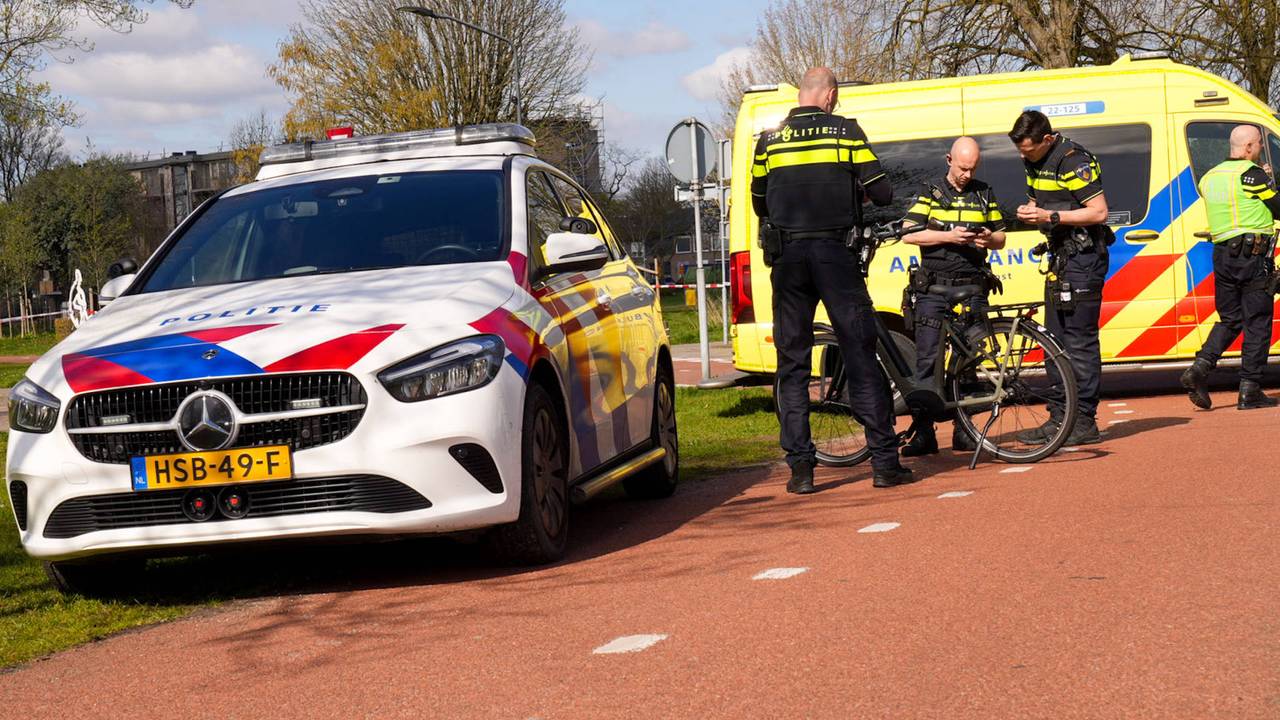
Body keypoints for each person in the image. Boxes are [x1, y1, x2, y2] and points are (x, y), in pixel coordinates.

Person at [750, 66, 914, 493]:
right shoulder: (845, 132)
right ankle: (884, 464)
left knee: (793, 364)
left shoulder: (769, 140)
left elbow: (759, 201)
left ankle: (801, 471)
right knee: (859, 353)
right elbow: (883, 192)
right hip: (835, 255)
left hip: (788, 260)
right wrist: (853, 192)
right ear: (830, 95)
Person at [899, 137, 1007, 457]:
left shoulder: (983, 192)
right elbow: (908, 233)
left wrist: (989, 238)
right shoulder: (929, 190)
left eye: (972, 169)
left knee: (968, 362)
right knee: (927, 361)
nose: (966, 175)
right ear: (949, 160)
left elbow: (1001, 237)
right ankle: (923, 433)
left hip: (972, 286)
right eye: (962, 168)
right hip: (934, 288)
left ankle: (964, 431)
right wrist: (948, 236)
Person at [1009, 111, 1111, 446]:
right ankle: (1060, 419)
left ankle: (1084, 421)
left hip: (1083, 258)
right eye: (1020, 150)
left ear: (1048, 139)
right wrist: (1029, 211)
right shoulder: (1033, 161)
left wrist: (1050, 215)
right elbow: (1037, 201)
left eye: (1029, 150)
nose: (1023, 156)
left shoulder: (1073, 160)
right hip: (1060, 258)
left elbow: (1099, 211)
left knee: (1079, 342)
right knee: (1054, 341)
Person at [1180, 124, 1280, 410]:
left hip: (1223, 256)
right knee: (1257, 321)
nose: (1260, 148)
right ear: (1248, 147)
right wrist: (1270, 182)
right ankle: (1250, 390)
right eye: (1258, 144)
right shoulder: (1253, 175)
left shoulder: (1209, 177)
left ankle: (1200, 367)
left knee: (1231, 319)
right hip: (1252, 256)